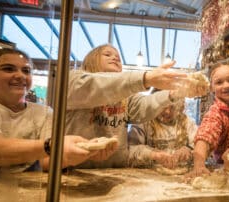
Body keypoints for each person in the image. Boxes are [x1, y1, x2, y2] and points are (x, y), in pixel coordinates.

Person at [65, 44, 208, 168]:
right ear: (91, 61)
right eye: (107, 54)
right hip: (75, 171)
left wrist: (174, 93)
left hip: (115, 173)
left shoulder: (125, 98)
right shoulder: (74, 81)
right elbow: (97, 86)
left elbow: (144, 105)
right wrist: (146, 78)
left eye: (118, 57)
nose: (115, 58)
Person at [0, 48, 114, 173]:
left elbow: (45, 162)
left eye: (26, 71)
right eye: (8, 69)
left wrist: (83, 153)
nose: (20, 75)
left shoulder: (44, 112)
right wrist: (52, 145)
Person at [128, 95, 197, 168]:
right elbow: (131, 151)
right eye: (163, 106)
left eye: (172, 107)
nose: (167, 112)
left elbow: (199, 146)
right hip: (150, 176)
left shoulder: (187, 123)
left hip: (181, 175)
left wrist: (188, 150)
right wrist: (153, 155)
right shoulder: (143, 122)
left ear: (180, 108)